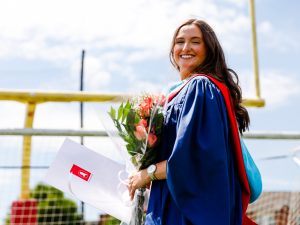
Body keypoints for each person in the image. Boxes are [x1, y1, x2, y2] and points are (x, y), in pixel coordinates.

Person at [127, 18, 256, 225]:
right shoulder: (178, 93)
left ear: (209, 49)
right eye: (180, 41)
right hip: (168, 201)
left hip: (184, 212)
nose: (186, 47)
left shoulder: (200, 88)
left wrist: (147, 173)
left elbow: (191, 160)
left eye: (195, 41)